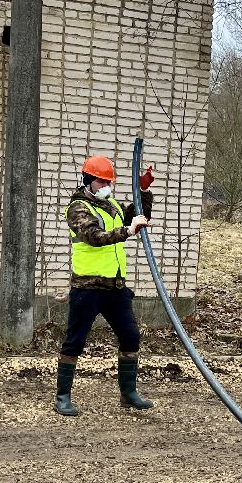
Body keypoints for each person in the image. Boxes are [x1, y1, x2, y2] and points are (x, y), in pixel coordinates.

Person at [55, 155, 156, 417]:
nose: (106, 185)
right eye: (102, 181)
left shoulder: (111, 205)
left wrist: (143, 190)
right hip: (87, 288)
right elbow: (95, 238)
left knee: (131, 336)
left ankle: (128, 394)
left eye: (109, 181)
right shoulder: (77, 208)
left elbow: (136, 215)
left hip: (115, 287)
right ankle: (62, 397)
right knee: (75, 342)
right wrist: (128, 231)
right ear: (88, 180)